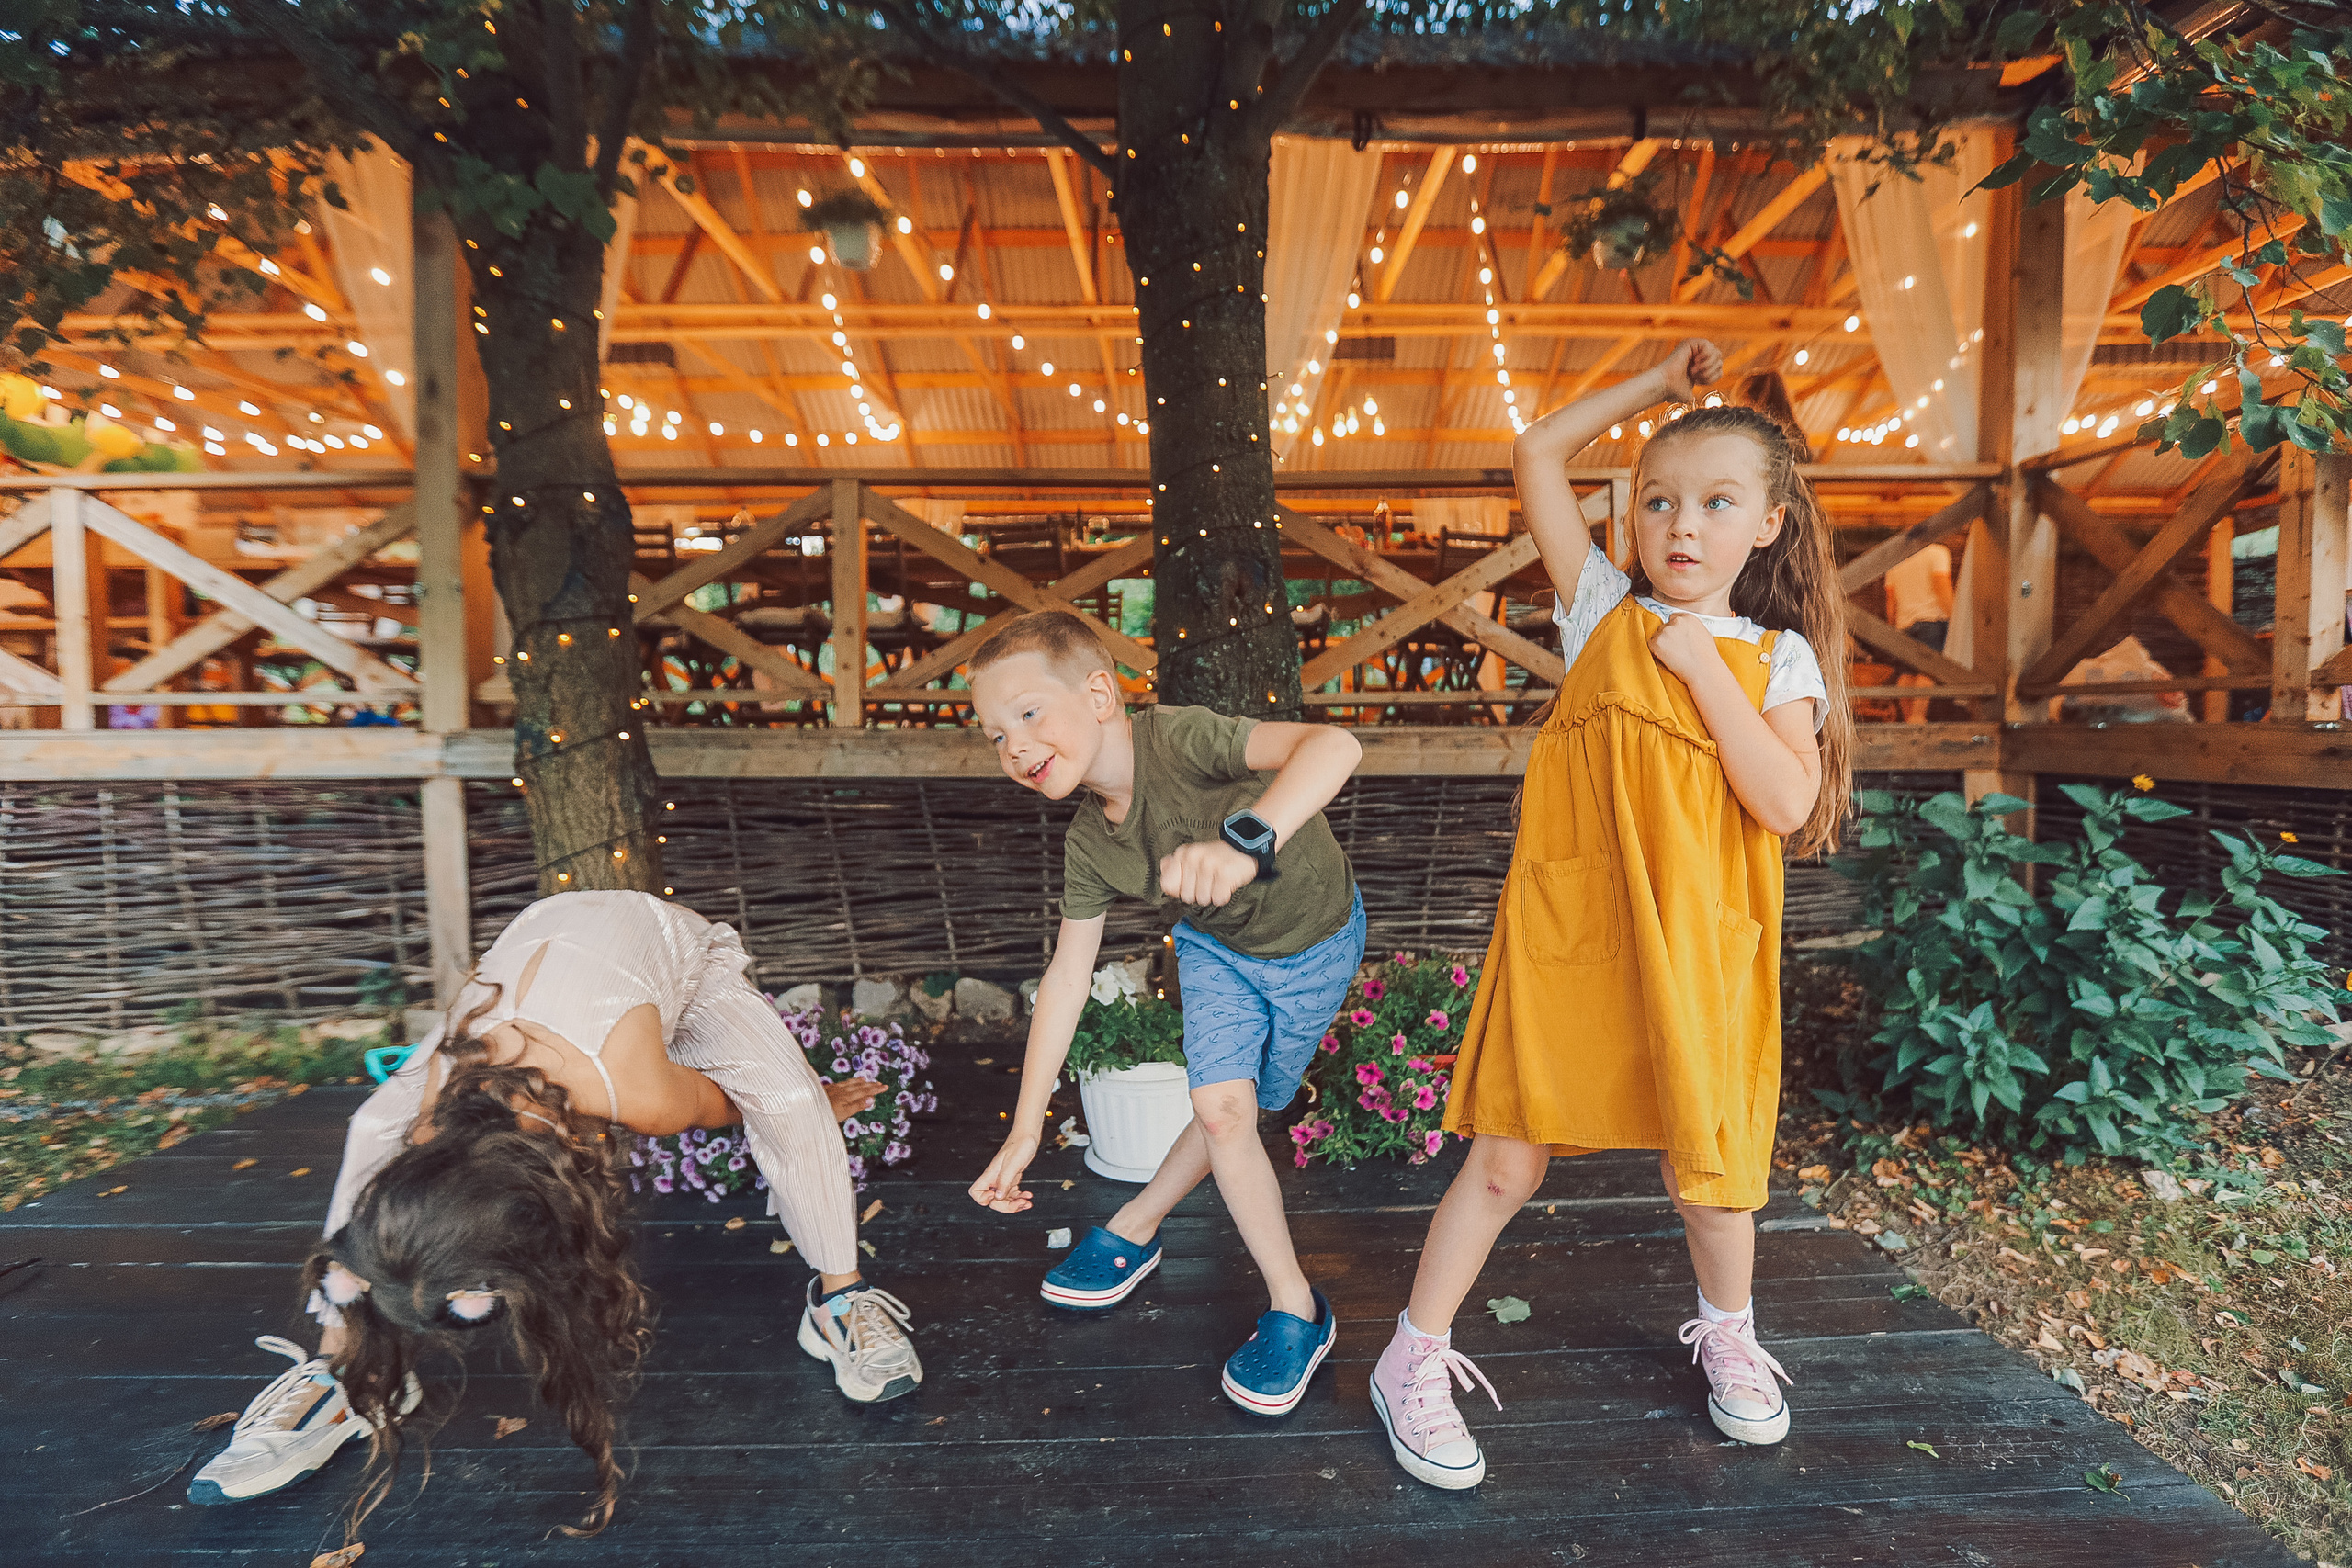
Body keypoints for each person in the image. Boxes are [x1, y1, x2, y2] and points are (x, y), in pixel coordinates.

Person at [1371, 339, 1854, 1489]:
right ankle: (1410, 1357)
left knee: (1710, 1171)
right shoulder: (1601, 611)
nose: (1680, 525)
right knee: (1506, 1160)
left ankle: (1728, 1336)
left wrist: (1702, 671)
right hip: (1576, 938)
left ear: (1768, 525)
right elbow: (1536, 450)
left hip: (1703, 947)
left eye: (1716, 503)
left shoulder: (1776, 656)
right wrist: (1655, 386)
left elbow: (1785, 804)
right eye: (1657, 501)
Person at [187, 890, 922, 1534]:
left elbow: (724, 1104)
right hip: (542, 938)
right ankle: (345, 1367)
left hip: (671, 947)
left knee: (789, 1102)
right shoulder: (439, 1101)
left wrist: (815, 1098)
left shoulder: (638, 1090)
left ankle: (840, 1298)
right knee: (374, 1124)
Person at [965, 611, 1366, 1417]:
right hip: (1215, 951)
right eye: (995, 734)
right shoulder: (1089, 843)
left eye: (1029, 713)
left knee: (1245, 1107)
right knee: (1223, 1111)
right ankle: (1298, 1307)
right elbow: (1067, 975)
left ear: (1100, 694)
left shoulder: (1179, 739)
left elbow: (1335, 745)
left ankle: (1137, 1222)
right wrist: (1025, 1127)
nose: (1014, 745)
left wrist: (1244, 843)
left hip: (1316, 945)